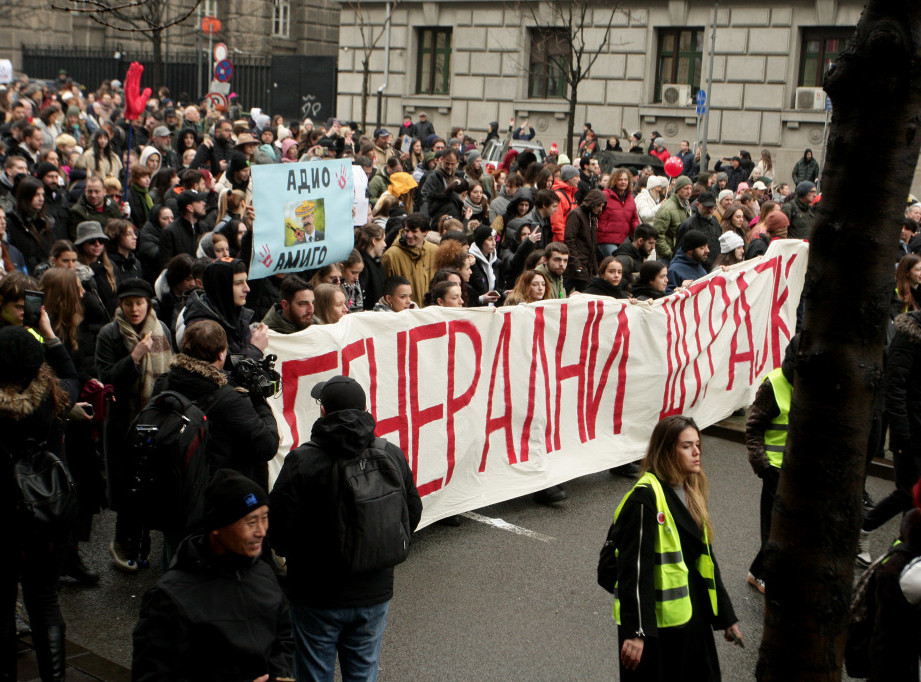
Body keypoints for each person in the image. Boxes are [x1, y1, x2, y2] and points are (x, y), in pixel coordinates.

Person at [270, 375, 422, 682]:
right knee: (363, 673)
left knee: (314, 674)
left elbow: (279, 531)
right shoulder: (390, 453)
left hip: (316, 595)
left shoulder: (303, 461)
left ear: (323, 412)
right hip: (374, 591)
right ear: (366, 409)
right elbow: (412, 513)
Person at [610, 415, 741, 680]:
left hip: (692, 618)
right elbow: (634, 570)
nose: (696, 452)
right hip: (657, 627)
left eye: (698, 445)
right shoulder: (644, 499)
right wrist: (636, 632)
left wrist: (726, 616)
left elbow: (705, 559)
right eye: (686, 446)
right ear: (667, 451)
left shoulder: (691, 489)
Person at [132, 469, 294, 681]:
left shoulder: (263, 573)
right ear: (218, 526)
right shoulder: (169, 598)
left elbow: (284, 637)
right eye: (250, 522)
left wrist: (279, 674)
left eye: (264, 518)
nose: (261, 531)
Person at [0, 322, 79, 682]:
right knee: (44, 599)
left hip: (8, 512)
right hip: (49, 507)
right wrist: (51, 337)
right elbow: (71, 373)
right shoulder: (53, 395)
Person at [96, 278, 174, 571]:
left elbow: (170, 369)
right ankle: (122, 542)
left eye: (139, 303)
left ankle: (144, 546)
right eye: (128, 303)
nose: (134, 309)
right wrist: (135, 356)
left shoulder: (161, 329)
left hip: (155, 419)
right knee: (128, 487)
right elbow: (105, 378)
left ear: (148, 304)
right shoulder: (110, 334)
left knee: (152, 485)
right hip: (124, 422)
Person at [151, 319, 279, 490]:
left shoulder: (164, 383)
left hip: (174, 487)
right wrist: (256, 397)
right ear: (221, 354)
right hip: (223, 492)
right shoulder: (230, 400)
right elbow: (268, 445)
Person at [744, 335, 799, 593]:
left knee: (790, 528)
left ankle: (758, 572)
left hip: (801, 471)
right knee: (774, 529)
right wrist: (764, 466)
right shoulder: (774, 384)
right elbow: (753, 429)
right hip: (775, 471)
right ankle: (763, 576)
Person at [179, 257, 269, 361]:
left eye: (245, 281)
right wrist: (255, 349)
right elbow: (218, 373)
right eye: (238, 283)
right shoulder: (202, 328)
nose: (247, 289)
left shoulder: (237, 314)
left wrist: (252, 338)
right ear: (221, 287)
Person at [381, 212, 438, 307]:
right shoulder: (391, 256)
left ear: (425, 232)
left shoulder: (435, 251)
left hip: (428, 313)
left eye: (414, 231)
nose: (409, 235)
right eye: (407, 231)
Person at [563, 188, 605, 292]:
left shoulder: (593, 217)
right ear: (592, 202)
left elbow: (592, 246)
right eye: (598, 205)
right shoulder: (576, 214)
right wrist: (576, 263)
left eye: (602, 206)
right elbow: (569, 240)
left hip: (586, 265)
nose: (600, 209)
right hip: (576, 264)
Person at [597, 169, 640, 257]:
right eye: (620, 179)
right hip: (606, 239)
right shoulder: (605, 195)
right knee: (616, 262)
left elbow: (634, 220)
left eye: (625, 179)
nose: (623, 182)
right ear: (614, 181)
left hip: (623, 240)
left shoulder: (630, 198)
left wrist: (639, 233)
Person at [653, 176, 693, 261]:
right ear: (678, 189)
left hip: (682, 255)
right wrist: (669, 254)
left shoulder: (687, 205)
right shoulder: (667, 208)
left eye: (690, 188)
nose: (689, 191)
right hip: (669, 257)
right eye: (686, 188)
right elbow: (658, 234)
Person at [467, 226, 503, 306]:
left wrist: (504, 293)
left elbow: (494, 288)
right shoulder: (470, 261)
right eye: (490, 239)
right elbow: (479, 288)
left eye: (495, 239)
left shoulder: (495, 261)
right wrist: (481, 299)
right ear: (481, 241)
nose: (494, 243)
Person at [614, 224, 658, 288]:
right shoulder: (624, 260)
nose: (653, 247)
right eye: (650, 243)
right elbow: (617, 288)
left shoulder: (640, 256)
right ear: (640, 241)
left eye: (654, 243)